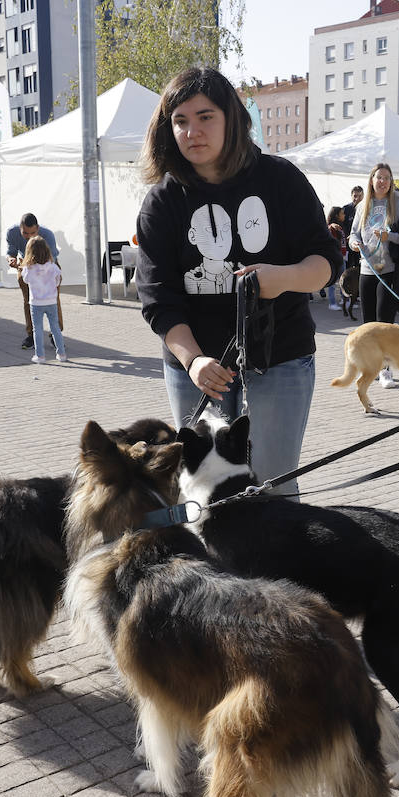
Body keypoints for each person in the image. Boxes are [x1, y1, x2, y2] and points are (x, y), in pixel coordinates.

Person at [135, 67, 341, 496]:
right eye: (180, 121)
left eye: (205, 117)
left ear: (231, 118)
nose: (193, 131)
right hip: (196, 366)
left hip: (279, 357)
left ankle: (280, 565)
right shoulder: (162, 202)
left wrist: (283, 277)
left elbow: (327, 262)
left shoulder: (280, 179)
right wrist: (192, 361)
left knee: (271, 486)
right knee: (202, 486)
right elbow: (158, 299)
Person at [349, 162, 399, 388]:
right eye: (379, 177)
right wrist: (354, 243)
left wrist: (391, 237)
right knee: (368, 325)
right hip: (366, 269)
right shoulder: (363, 205)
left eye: (387, 178)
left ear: (391, 181)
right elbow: (353, 233)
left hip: (388, 271)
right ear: (371, 179)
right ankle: (371, 367)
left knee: (384, 323)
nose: (382, 181)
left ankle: (386, 370)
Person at [6, 213, 61, 350]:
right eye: (25, 233)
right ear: (20, 228)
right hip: (25, 265)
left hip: (48, 266)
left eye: (33, 232)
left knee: (54, 299)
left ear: (38, 228)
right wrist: (10, 260)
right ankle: (31, 334)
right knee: (28, 300)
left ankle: (55, 334)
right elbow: (11, 252)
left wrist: (38, 270)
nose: (30, 236)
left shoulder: (47, 234)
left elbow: (52, 258)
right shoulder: (12, 233)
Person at [20, 235, 67, 363]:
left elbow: (25, 280)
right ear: (47, 251)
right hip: (51, 301)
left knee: (38, 329)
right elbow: (57, 281)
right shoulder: (53, 267)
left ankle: (40, 356)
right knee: (55, 328)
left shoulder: (28, 269)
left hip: (36, 302)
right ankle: (61, 354)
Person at [326, 206, 346, 310]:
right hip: (335, 258)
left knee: (343, 280)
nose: (344, 215)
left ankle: (344, 300)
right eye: (342, 213)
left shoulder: (340, 226)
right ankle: (332, 303)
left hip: (342, 257)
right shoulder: (332, 228)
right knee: (333, 281)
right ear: (337, 215)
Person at [342, 185, 363, 274]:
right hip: (348, 244)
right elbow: (342, 224)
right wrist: (348, 235)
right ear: (351, 196)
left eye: (359, 196)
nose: (357, 198)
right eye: (355, 196)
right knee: (348, 268)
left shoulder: (366, 208)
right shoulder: (346, 209)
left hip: (361, 244)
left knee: (360, 267)